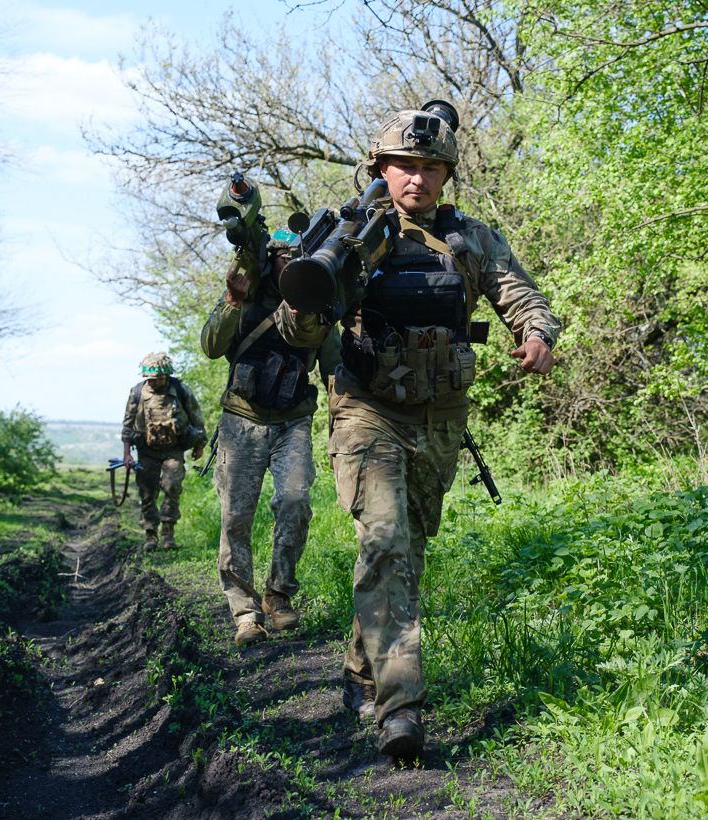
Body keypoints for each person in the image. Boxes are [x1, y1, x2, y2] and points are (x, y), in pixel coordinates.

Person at [275, 101, 560, 759]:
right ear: (380, 167)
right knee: (383, 540)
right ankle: (400, 709)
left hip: (438, 416)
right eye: (405, 164)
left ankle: (361, 669)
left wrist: (537, 335)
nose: (418, 178)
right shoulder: (349, 234)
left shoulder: (471, 239)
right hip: (365, 409)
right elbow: (300, 333)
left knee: (407, 550)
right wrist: (311, 296)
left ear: (446, 173)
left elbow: (521, 295)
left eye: (431, 166)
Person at [201, 237, 341, 648]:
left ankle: (278, 594)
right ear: (269, 261)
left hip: (293, 422)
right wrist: (231, 298)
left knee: (296, 502)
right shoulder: (245, 299)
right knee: (235, 518)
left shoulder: (318, 307)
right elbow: (210, 346)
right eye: (284, 257)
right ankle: (245, 613)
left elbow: (334, 372)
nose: (292, 264)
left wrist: (341, 429)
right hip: (241, 422)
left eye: (300, 257)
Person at [120, 353, 208, 550]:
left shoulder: (181, 390)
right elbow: (127, 425)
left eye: (159, 378)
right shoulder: (137, 393)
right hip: (146, 451)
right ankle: (150, 534)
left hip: (173, 450)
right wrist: (127, 453)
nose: (155, 382)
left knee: (172, 487)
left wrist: (199, 445)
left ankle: (168, 533)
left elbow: (196, 418)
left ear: (167, 375)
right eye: (151, 379)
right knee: (147, 491)